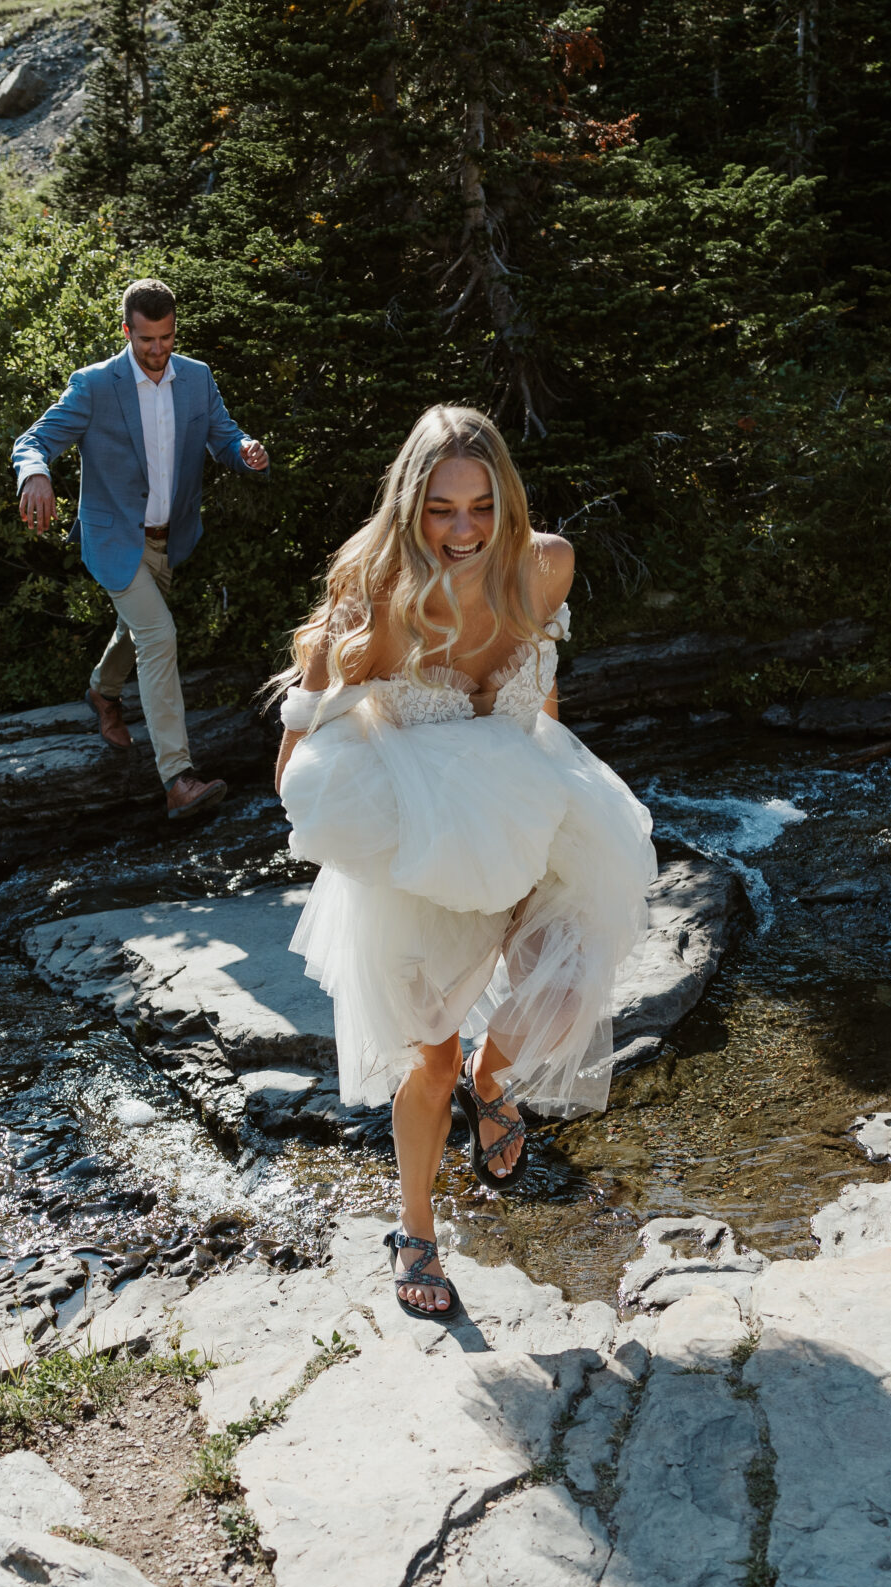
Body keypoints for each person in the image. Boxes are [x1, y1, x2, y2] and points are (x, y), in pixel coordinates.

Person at [269, 405, 655, 1320]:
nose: (464, 529)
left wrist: (554, 786)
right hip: (426, 842)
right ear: (412, 507)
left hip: (530, 803)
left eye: (481, 505)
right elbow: (295, 768)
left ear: (507, 502)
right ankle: (416, 1229)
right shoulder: (375, 605)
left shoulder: (545, 565)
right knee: (428, 1059)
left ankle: (496, 1085)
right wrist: (370, 831)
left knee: (566, 988)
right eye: (441, 508)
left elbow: (545, 686)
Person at [13, 278, 270, 821]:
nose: (158, 350)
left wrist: (244, 450)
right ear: (127, 330)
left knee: (136, 630)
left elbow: (223, 436)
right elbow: (33, 441)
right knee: (159, 635)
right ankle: (177, 777)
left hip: (166, 539)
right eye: (147, 339)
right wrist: (35, 474)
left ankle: (102, 693)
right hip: (112, 538)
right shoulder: (94, 386)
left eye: (167, 337)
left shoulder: (196, 378)